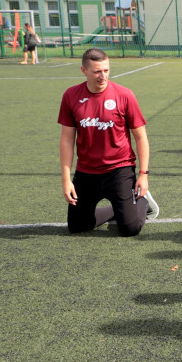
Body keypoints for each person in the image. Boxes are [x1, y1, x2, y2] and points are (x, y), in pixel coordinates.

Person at [58, 48, 159, 236]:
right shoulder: (71, 96)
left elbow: (141, 137)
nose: (102, 76)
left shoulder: (125, 95)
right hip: (86, 172)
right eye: (97, 71)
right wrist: (66, 179)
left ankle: (142, 201)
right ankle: (118, 208)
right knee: (78, 226)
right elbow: (66, 140)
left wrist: (144, 174)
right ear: (83, 71)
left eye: (106, 70)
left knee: (129, 229)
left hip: (119, 170)